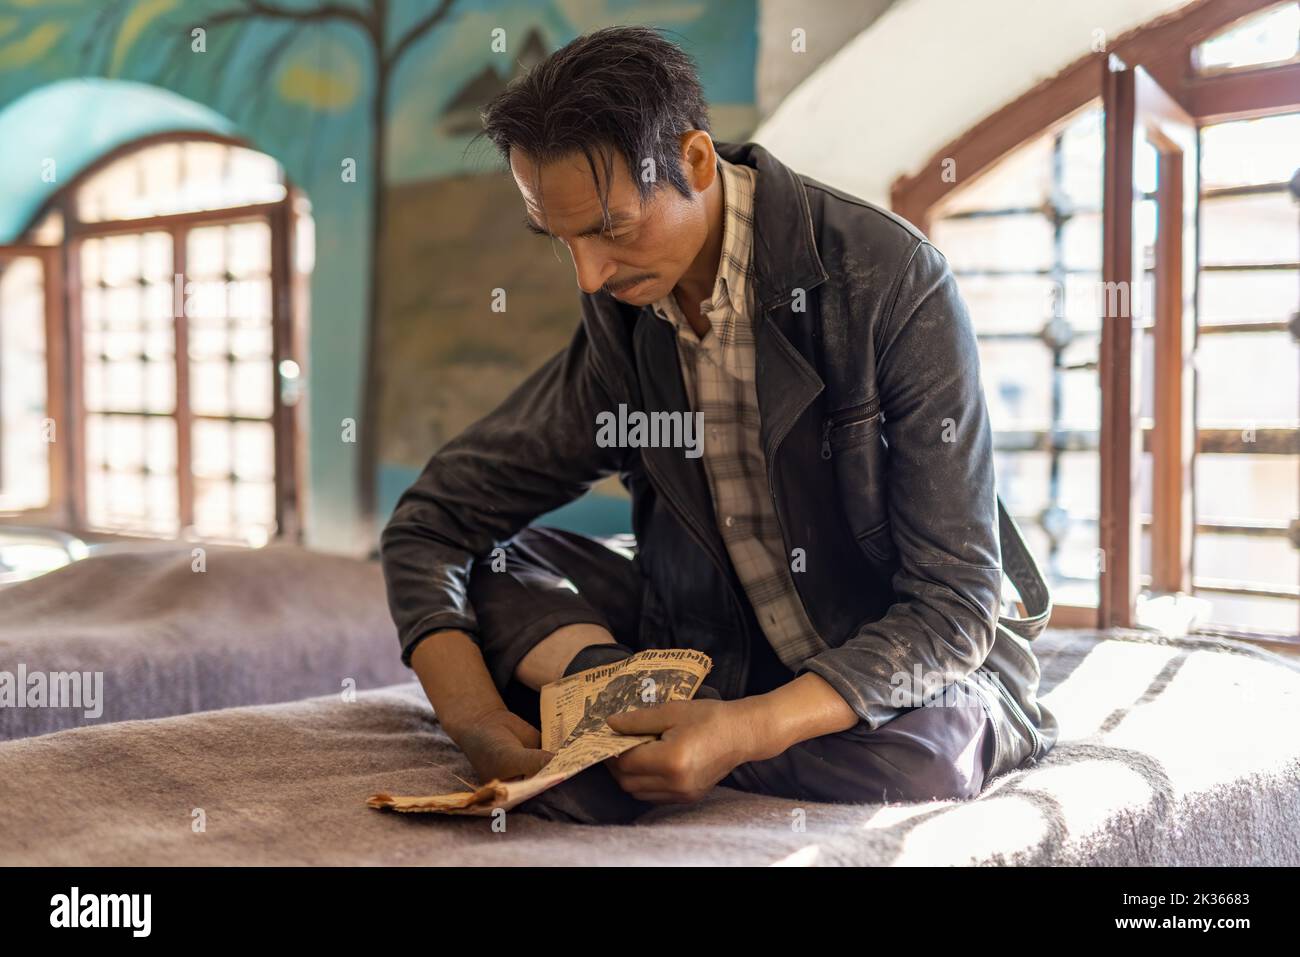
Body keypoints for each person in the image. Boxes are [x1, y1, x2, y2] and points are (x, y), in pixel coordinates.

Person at [381, 25, 1058, 824]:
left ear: (697, 163)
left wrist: (744, 729)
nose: (589, 274)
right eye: (562, 240)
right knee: (496, 562)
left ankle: (655, 737)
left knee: (924, 754)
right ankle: (631, 713)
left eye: (609, 228)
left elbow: (952, 607)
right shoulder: (622, 316)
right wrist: (480, 724)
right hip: (705, 647)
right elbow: (432, 521)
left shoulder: (891, 283)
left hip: (869, 669)